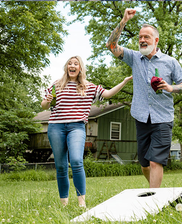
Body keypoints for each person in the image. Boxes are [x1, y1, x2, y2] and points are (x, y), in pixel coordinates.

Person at [106, 8, 182, 188]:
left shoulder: (170, 62)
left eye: (146, 37)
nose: (142, 40)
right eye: (140, 38)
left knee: (155, 162)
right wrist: (124, 21)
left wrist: (170, 87)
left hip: (163, 118)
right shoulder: (134, 58)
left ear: (156, 40)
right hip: (141, 116)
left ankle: (154, 199)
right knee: (144, 165)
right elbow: (111, 46)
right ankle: (157, 191)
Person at [41, 56, 132, 207]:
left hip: (76, 127)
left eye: (75, 64)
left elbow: (108, 94)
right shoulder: (57, 84)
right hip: (56, 127)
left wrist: (124, 81)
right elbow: (44, 105)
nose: (72, 65)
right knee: (61, 165)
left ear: (80, 68)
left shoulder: (88, 87)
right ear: (66, 67)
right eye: (69, 63)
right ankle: (64, 203)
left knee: (76, 161)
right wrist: (48, 100)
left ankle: (81, 203)